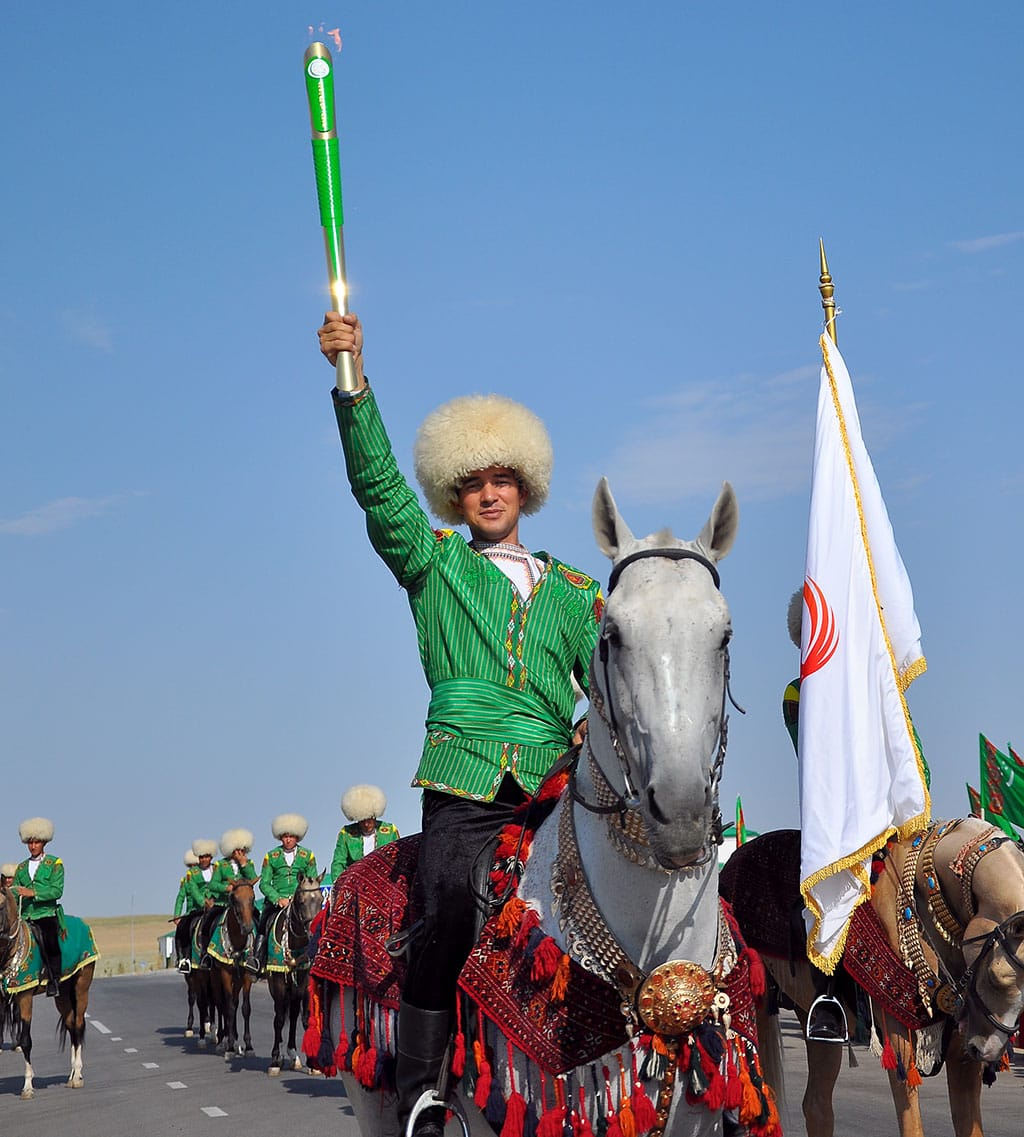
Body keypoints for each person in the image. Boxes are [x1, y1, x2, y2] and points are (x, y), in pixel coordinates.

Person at [318, 312, 603, 1137]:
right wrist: (352, 380)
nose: (489, 491)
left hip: (558, 789)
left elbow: (614, 686)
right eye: (473, 481)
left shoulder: (579, 592)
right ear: (456, 491)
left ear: (526, 487)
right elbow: (376, 487)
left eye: (503, 479)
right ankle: (420, 1088)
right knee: (444, 901)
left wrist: (592, 727)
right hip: (464, 782)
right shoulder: (433, 563)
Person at [253, 813, 318, 972]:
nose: (288, 839)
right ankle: (257, 960)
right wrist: (278, 899)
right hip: (277, 902)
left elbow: (312, 880)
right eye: (285, 836)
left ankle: (317, 958)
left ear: (297, 837)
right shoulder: (271, 856)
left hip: (300, 901)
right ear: (280, 838)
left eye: (291, 836)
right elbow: (264, 883)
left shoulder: (307, 855)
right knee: (263, 924)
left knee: (316, 923)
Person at [12, 817, 65, 996]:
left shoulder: (55, 864)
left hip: (45, 913)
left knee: (50, 939)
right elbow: (14, 891)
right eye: (30, 842)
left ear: (44, 842)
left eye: (36, 842)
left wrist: (33, 893)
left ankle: (54, 979)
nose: (33, 846)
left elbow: (57, 890)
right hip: (25, 916)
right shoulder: (20, 868)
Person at [201, 829, 258, 971]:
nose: (239, 852)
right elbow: (213, 884)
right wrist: (226, 888)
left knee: (258, 920)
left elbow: (252, 880)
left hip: (244, 904)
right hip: (224, 904)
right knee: (207, 922)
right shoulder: (221, 865)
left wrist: (244, 864)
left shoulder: (248, 863)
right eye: (236, 849)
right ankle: (206, 956)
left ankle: (256, 957)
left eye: (242, 849)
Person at [330, 785, 399, 879]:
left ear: (375, 815)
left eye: (369, 819)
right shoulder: (346, 833)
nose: (366, 824)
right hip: (355, 881)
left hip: (385, 881)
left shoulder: (390, 831)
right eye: (362, 820)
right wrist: (338, 884)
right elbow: (338, 863)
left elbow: (399, 859)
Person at [172, 847, 199, 969]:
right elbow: (180, 897)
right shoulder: (185, 880)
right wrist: (177, 915)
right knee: (181, 932)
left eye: (196, 865)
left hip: (207, 909)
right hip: (192, 912)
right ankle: (183, 958)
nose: (193, 868)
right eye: (191, 866)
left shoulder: (208, 875)